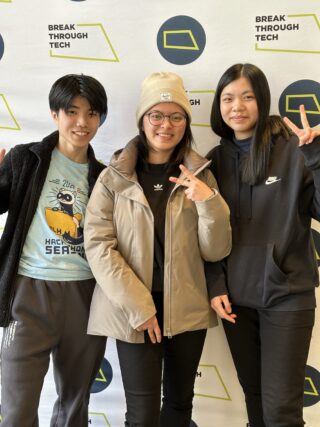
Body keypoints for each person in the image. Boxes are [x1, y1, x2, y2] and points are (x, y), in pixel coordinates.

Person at [84, 71, 232, 427]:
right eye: (157, 115)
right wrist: (140, 307)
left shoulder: (202, 175)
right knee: (142, 414)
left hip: (187, 307)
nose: (166, 125)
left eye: (176, 116)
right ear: (142, 120)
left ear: (186, 121)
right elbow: (99, 246)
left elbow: (215, 251)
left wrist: (208, 201)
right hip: (133, 308)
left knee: (180, 406)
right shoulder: (113, 177)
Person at [207, 63, 320, 427]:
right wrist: (216, 285)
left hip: (287, 295)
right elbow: (204, 236)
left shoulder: (293, 149)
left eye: (247, 97)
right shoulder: (214, 161)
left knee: (281, 412)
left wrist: (315, 156)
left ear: (262, 100)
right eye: (227, 98)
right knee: (254, 401)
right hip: (236, 302)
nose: (236, 106)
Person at [0, 73, 108, 426]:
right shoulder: (24, 159)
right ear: (54, 114)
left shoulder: (104, 177)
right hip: (28, 293)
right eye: (72, 111)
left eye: (91, 113)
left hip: (85, 295)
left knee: (75, 406)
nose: (82, 122)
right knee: (16, 410)